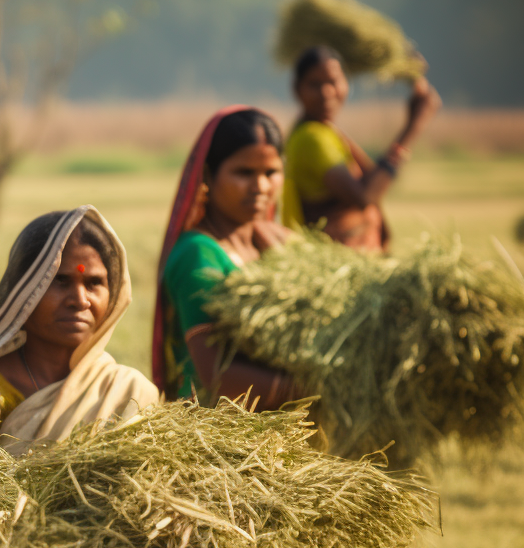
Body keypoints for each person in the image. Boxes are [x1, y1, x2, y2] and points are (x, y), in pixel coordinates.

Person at [0, 205, 159, 454]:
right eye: (60, 281)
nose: (80, 300)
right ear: (25, 291)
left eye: (94, 283)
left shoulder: (126, 390)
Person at [154, 106, 300, 408]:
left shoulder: (274, 243)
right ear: (208, 174)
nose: (260, 187)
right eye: (244, 173)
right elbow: (217, 376)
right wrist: (310, 391)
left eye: (271, 173)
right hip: (214, 432)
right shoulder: (198, 253)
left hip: (273, 429)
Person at [281, 45, 441, 250]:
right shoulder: (311, 138)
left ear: (346, 84)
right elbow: (363, 197)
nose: (326, 92)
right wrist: (414, 125)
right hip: (338, 259)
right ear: (297, 89)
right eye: (315, 84)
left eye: (333, 82)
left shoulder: (324, 132)